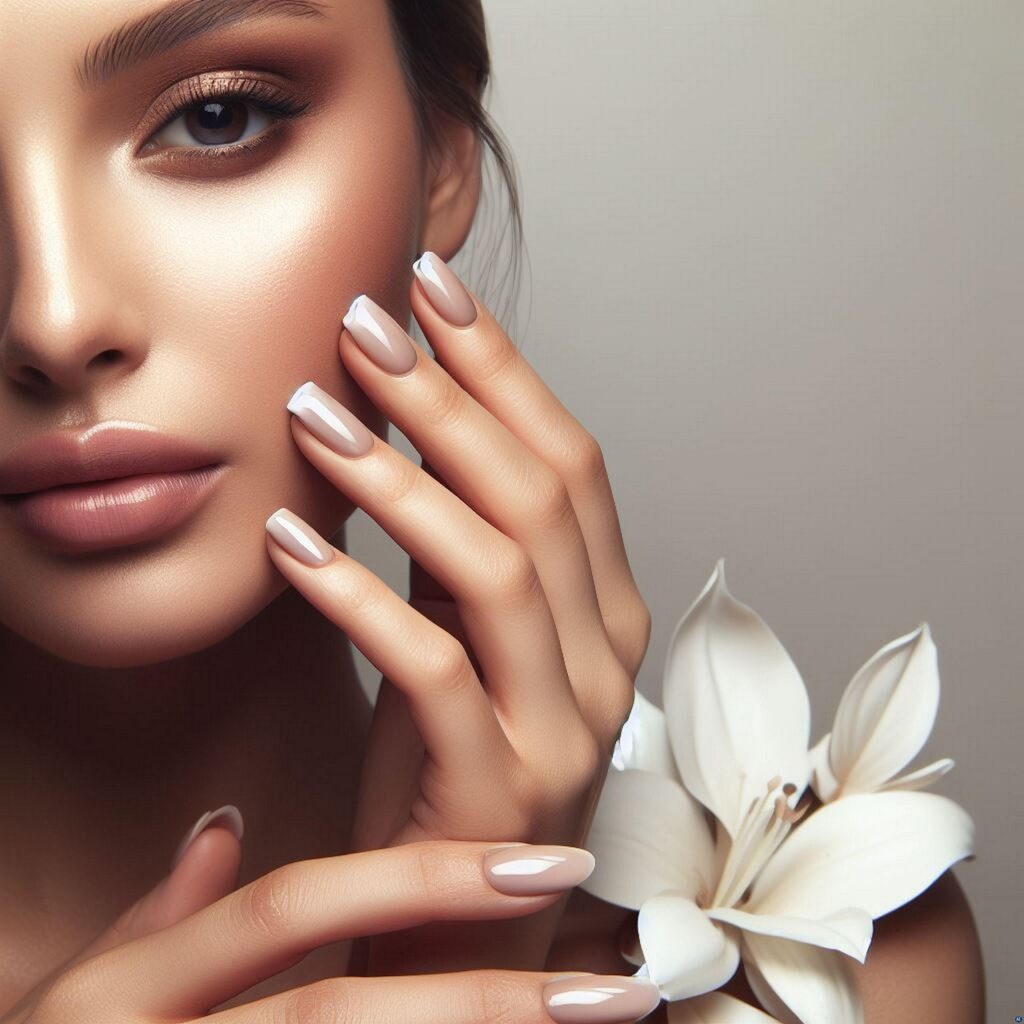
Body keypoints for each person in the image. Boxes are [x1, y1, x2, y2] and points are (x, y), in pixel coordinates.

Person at [0, 1, 984, 1022]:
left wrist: (459, 961)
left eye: (216, 117)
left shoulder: (823, 963)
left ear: (440, 156)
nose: (53, 321)